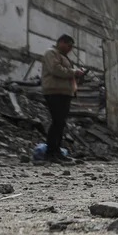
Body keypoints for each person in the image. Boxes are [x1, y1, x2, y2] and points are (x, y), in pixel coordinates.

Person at [41, 34, 84, 164]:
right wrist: (74, 72)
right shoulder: (51, 53)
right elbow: (56, 70)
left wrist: (76, 74)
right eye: (68, 46)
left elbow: (65, 71)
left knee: (61, 123)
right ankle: (50, 153)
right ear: (61, 42)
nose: (70, 49)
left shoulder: (63, 56)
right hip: (54, 92)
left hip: (65, 93)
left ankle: (57, 152)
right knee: (57, 122)